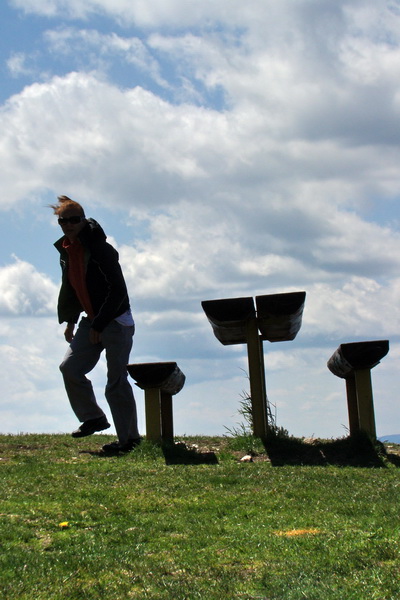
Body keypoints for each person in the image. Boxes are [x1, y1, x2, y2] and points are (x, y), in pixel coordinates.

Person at [51, 195, 140, 454]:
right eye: (63, 221)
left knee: (116, 381)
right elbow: (73, 288)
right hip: (92, 321)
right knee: (70, 368)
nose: (68, 225)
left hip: (116, 321)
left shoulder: (100, 249)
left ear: (83, 220)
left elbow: (118, 291)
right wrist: (71, 321)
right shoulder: (68, 250)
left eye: (74, 220)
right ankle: (94, 418)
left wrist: (100, 325)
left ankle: (130, 441)